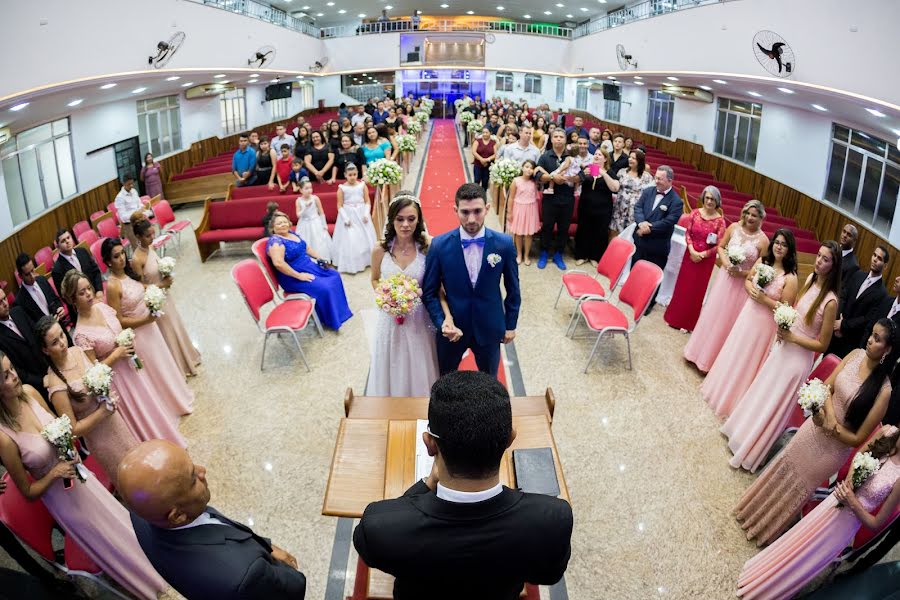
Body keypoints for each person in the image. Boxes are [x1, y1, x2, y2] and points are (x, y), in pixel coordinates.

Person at [354, 371, 573, 600]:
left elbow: (369, 550)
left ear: (430, 445)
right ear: (510, 439)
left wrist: (426, 485)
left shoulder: (380, 525)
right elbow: (548, 575)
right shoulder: (553, 519)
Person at [0, 353, 172, 600]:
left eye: (12, 368)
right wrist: (54, 473)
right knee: (106, 537)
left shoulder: (30, 392)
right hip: (63, 499)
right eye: (5, 375)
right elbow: (28, 493)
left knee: (116, 517)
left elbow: (60, 427)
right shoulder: (4, 438)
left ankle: (154, 556)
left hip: (81, 476)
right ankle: (143, 580)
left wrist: (68, 446)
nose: (15, 376)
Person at [735, 319, 895, 547]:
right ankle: (748, 512)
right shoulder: (855, 354)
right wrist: (826, 416)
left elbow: (858, 439)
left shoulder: (883, 390)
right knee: (784, 464)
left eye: (878, 339)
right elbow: (826, 385)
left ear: (888, 350)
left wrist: (832, 426)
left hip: (833, 449)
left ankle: (762, 531)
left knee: (798, 487)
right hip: (815, 426)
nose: (870, 340)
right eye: (872, 334)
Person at [118, 440, 307, 600]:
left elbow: (213, 522)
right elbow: (293, 588)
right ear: (177, 516)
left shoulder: (143, 514)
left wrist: (267, 547)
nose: (203, 471)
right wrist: (285, 570)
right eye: (193, 479)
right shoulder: (245, 575)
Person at [735, 425, 900, 600]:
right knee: (798, 538)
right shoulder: (886, 433)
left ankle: (769, 592)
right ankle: (761, 574)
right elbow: (860, 455)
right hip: (834, 500)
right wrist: (851, 482)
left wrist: (851, 501)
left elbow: (876, 523)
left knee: (807, 559)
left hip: (847, 524)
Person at [722, 241, 841, 472]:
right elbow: (795, 312)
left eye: (825, 259)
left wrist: (794, 338)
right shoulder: (810, 281)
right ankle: (739, 435)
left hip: (798, 357)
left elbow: (823, 343)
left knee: (773, 401)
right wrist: (784, 326)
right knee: (762, 390)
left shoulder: (831, 301)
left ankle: (751, 450)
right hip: (784, 344)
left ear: (834, 266)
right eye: (818, 255)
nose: (818, 261)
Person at [64, 270, 187, 448]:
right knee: (139, 411)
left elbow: (119, 328)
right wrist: (116, 354)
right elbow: (93, 371)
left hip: (131, 365)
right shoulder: (81, 334)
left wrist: (126, 340)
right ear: (72, 300)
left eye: (88, 289)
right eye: (81, 293)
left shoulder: (102, 308)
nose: (88, 294)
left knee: (149, 400)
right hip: (118, 379)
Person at [422, 183, 521, 376]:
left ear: (487, 208)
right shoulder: (439, 245)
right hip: (453, 328)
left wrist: (510, 324)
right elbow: (430, 291)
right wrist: (442, 322)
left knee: (490, 381)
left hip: (490, 326)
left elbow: (513, 289)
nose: (471, 219)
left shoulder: (504, 244)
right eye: (465, 212)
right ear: (455, 210)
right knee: (447, 381)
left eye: (477, 211)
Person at [702, 230, 799, 418]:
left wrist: (765, 300)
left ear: (790, 249)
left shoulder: (790, 277)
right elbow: (747, 281)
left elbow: (784, 308)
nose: (779, 247)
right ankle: (719, 388)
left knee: (748, 357)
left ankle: (733, 401)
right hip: (748, 313)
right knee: (735, 348)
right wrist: (752, 290)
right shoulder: (763, 262)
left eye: (784, 244)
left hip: (764, 324)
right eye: (777, 242)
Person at [37, 316, 137, 487]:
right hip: (100, 437)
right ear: (46, 350)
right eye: (54, 342)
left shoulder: (77, 351)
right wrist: (102, 412)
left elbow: (98, 375)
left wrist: (105, 392)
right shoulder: (56, 385)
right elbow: (74, 430)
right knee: (128, 480)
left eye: (62, 335)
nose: (62, 342)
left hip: (115, 420)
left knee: (138, 460)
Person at [103, 237, 194, 416]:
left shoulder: (127, 274)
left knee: (164, 361)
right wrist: (145, 321)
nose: (121, 258)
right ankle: (168, 406)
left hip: (151, 326)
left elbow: (141, 288)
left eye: (122, 253)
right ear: (107, 261)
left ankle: (177, 396)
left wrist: (155, 294)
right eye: (116, 256)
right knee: (156, 369)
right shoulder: (113, 286)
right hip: (139, 333)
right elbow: (119, 320)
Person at [366, 194, 441, 396]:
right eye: (400, 219)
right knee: (391, 360)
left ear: (419, 219)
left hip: (419, 317)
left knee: (418, 361)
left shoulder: (428, 246)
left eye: (411, 219)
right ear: (391, 220)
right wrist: (386, 296)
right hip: (389, 317)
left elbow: (437, 284)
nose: (406, 224)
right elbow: (374, 278)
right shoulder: (380, 249)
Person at [683, 199, 769, 370]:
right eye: (748, 214)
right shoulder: (734, 228)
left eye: (755, 215)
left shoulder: (763, 241)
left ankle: (713, 363)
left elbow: (761, 267)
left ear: (761, 218)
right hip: (725, 278)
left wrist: (743, 273)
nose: (750, 218)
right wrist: (726, 263)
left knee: (728, 320)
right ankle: (695, 353)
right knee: (713, 312)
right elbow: (721, 247)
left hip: (742, 285)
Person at [130, 217, 202, 378]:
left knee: (176, 325)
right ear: (139, 237)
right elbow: (140, 286)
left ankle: (187, 357)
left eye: (152, 234)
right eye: (148, 236)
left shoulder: (150, 248)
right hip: (156, 299)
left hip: (165, 295)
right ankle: (177, 368)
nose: (152, 238)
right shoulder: (137, 259)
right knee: (167, 331)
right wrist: (161, 285)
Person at [266, 212, 352, 330]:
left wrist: (320, 258)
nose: (283, 225)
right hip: (293, 275)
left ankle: (340, 313)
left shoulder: (291, 233)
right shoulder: (275, 241)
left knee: (334, 275)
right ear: (272, 228)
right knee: (324, 287)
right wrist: (299, 276)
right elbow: (278, 263)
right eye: (279, 223)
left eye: (285, 222)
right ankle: (328, 319)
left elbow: (306, 248)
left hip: (309, 266)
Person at [664, 187, 727, 331]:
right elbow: (688, 233)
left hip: (705, 260)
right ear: (703, 198)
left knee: (695, 292)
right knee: (683, 287)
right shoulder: (695, 213)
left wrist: (703, 255)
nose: (709, 201)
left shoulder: (720, 222)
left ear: (717, 201)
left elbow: (719, 244)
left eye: (712, 199)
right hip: (690, 255)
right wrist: (692, 250)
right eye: (707, 198)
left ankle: (688, 323)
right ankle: (674, 318)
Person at [631, 166, 684, 314]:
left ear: (670, 180)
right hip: (640, 241)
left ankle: (648, 304)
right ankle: (633, 297)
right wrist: (641, 223)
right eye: (656, 178)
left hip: (657, 246)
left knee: (653, 277)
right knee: (636, 270)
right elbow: (638, 208)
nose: (657, 181)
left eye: (660, 179)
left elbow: (669, 221)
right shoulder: (648, 191)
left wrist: (650, 228)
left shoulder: (676, 201)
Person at [827, 246, 888, 358]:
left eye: (879, 258)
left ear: (885, 266)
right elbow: (843, 296)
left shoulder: (882, 293)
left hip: (851, 340)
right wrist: (838, 320)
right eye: (874, 255)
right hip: (835, 330)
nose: (875, 259)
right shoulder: (858, 275)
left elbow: (867, 319)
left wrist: (843, 325)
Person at [536, 130, 580, 271]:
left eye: (561, 137)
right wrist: (553, 178)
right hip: (549, 198)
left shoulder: (572, 157)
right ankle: (543, 252)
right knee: (548, 226)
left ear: (565, 141)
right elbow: (537, 174)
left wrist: (571, 178)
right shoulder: (545, 156)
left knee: (563, 228)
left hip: (567, 199)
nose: (559, 139)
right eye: (556, 137)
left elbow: (582, 176)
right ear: (552, 140)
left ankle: (558, 254)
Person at [574, 147, 620, 265]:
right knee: (583, 230)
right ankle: (581, 255)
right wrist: (582, 175)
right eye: (595, 154)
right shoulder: (587, 169)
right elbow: (575, 182)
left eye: (600, 155)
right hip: (585, 206)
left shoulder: (609, 172)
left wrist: (603, 173)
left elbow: (615, 188)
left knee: (599, 232)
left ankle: (595, 257)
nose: (596, 156)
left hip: (603, 209)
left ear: (605, 159)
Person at [0, 289, 48, 400]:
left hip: (48, 366)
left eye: (4, 298)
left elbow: (39, 336)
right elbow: (14, 369)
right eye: (0, 302)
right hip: (33, 386)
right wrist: (41, 381)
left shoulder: (18, 311)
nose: (5, 304)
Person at [332, 163, 376, 273]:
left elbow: (367, 201)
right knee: (351, 238)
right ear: (345, 175)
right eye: (350, 175)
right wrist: (345, 218)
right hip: (349, 213)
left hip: (361, 213)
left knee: (364, 237)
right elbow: (339, 205)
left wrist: (366, 213)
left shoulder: (362, 185)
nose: (352, 177)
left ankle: (366, 260)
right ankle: (352, 262)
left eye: (354, 174)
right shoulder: (342, 188)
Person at [13, 253, 67, 326]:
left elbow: (55, 299)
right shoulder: (19, 301)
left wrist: (59, 307)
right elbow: (30, 325)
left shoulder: (42, 280)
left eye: (32, 270)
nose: (32, 276)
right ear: (20, 276)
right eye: (27, 274)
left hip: (60, 325)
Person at [506, 160, 542, 266]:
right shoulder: (516, 181)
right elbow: (511, 197)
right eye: (526, 167)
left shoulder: (535, 182)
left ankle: (526, 255)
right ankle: (519, 254)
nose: (528, 169)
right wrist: (509, 212)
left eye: (531, 168)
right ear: (522, 168)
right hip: (519, 208)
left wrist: (538, 169)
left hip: (531, 209)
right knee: (518, 233)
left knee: (528, 234)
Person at [613, 149, 655, 233]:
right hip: (620, 208)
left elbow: (650, 195)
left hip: (634, 211)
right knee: (615, 234)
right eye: (630, 157)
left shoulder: (647, 177)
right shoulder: (622, 172)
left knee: (629, 236)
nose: (630, 159)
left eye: (633, 158)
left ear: (640, 161)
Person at [294, 178, 333, 263]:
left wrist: (324, 224)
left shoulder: (315, 198)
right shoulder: (298, 201)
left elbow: (321, 212)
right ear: (301, 190)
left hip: (316, 222)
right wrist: (305, 207)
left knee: (319, 241)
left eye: (310, 188)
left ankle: (321, 259)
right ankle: (308, 261)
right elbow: (298, 215)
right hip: (304, 224)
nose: (309, 190)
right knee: (306, 241)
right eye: (306, 188)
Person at [114, 175, 149, 249]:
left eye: (132, 183)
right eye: (129, 184)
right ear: (123, 184)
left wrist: (142, 207)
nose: (131, 186)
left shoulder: (134, 191)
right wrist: (135, 213)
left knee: (146, 242)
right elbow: (123, 217)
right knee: (137, 247)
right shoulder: (120, 198)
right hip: (129, 225)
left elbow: (139, 203)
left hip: (139, 220)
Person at [471, 126, 497, 191]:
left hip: (488, 165)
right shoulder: (477, 141)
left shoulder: (493, 143)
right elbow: (474, 152)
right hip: (478, 165)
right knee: (476, 181)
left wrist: (487, 159)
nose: (485, 134)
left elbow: (495, 154)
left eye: (486, 132)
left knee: (485, 182)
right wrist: (481, 159)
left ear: (490, 133)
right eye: (483, 132)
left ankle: (483, 197)